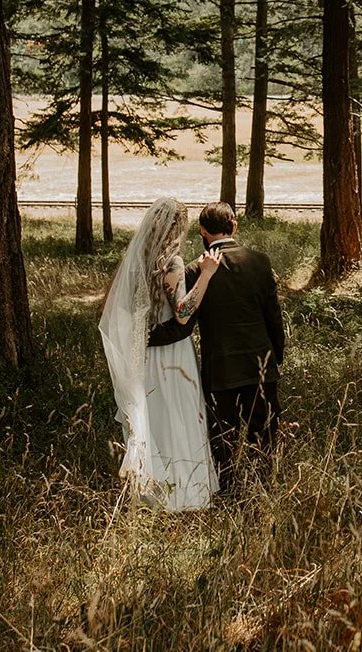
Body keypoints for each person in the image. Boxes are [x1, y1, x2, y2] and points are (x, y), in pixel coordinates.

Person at [146, 202, 284, 492]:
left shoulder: (196, 270)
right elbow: (274, 317)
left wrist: (145, 338)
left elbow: (185, 322)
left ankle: (229, 489)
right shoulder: (260, 261)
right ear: (234, 225)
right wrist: (276, 358)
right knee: (264, 432)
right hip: (261, 362)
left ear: (203, 232)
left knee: (223, 435)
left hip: (220, 367)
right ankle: (263, 488)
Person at [98, 198, 223, 510]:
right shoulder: (173, 262)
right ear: (176, 228)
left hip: (146, 353)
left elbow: (117, 307)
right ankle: (183, 491)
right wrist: (206, 274)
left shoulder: (137, 258)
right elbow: (182, 313)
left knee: (156, 417)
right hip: (173, 353)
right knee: (178, 413)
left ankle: (151, 487)